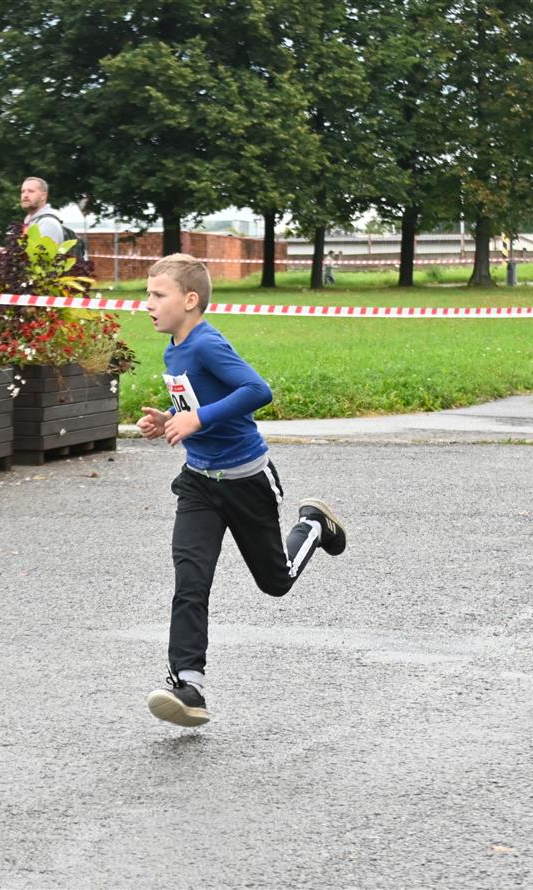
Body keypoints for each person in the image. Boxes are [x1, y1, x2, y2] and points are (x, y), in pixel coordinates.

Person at [136, 253, 347, 727]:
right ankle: (188, 685)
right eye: (148, 294)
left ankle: (314, 524)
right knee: (191, 581)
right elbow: (199, 406)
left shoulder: (207, 344)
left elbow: (257, 391)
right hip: (198, 483)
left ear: (190, 300)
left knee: (276, 581)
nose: (147, 303)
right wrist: (170, 421)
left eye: (157, 295)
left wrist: (197, 419)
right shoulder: (173, 348)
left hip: (247, 481)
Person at [19, 176, 65, 242]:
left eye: (31, 191)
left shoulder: (48, 223)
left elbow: (44, 249)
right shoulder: (32, 222)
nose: (25, 195)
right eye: (23, 191)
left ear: (43, 196)